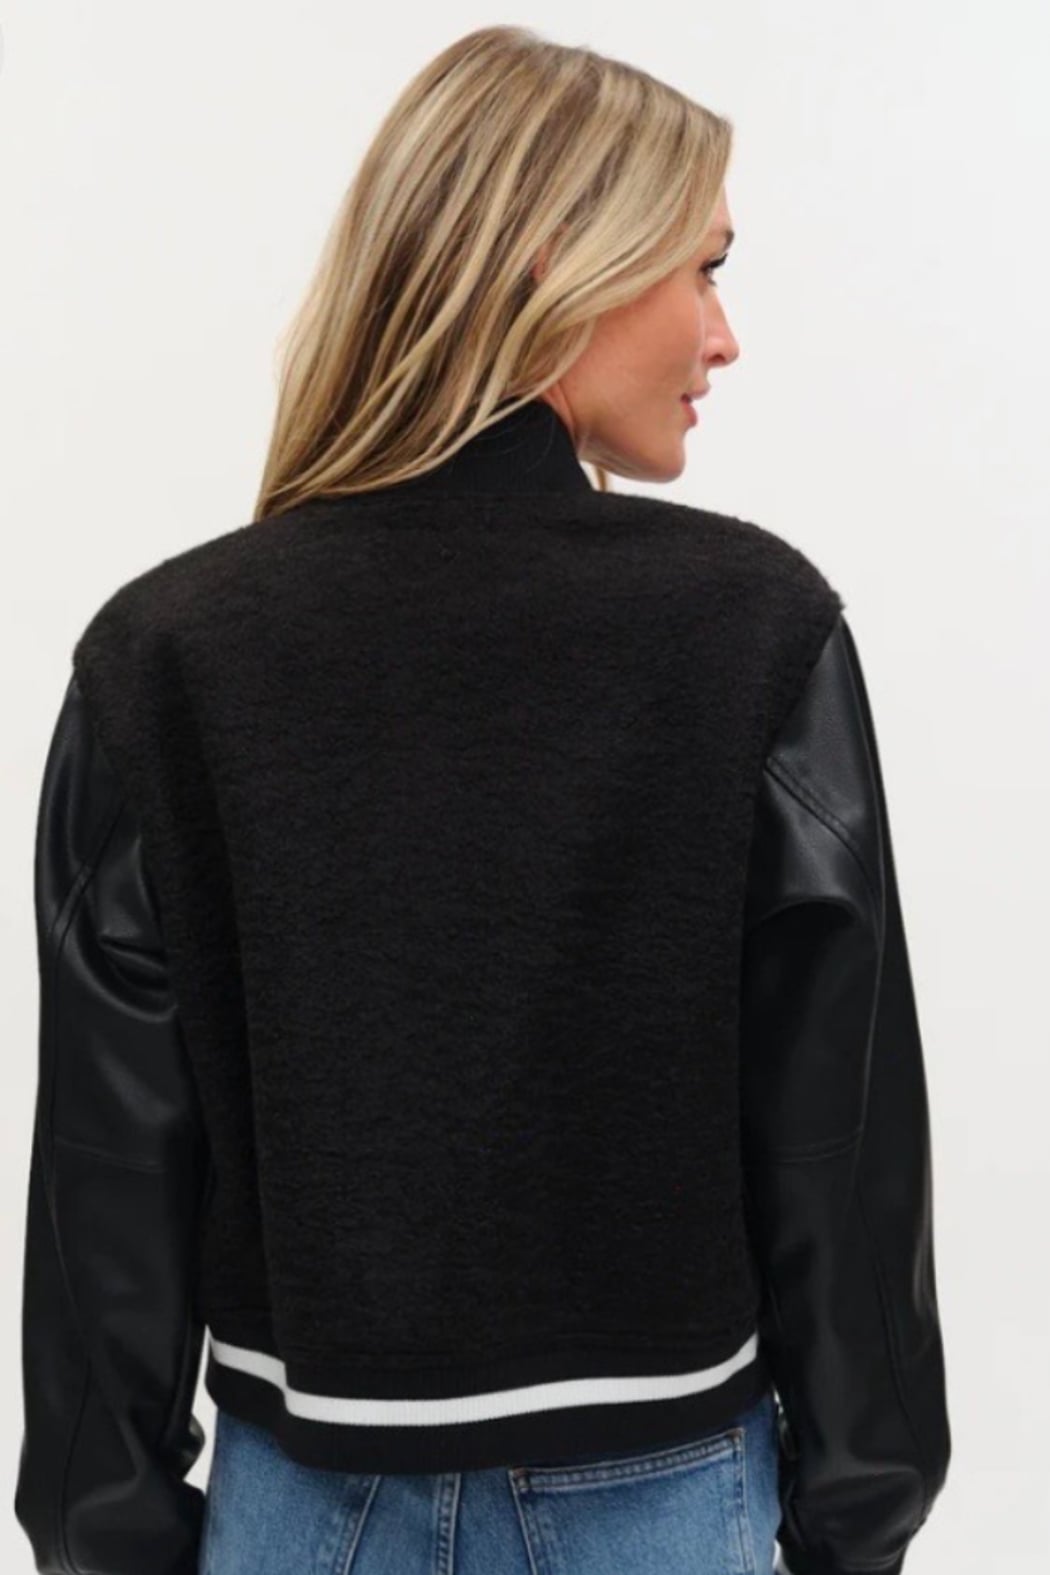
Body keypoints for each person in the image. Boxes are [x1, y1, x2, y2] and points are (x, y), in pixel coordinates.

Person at [13, 23, 950, 1575]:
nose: (724, 338)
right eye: (704, 269)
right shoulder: (750, 626)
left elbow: (110, 1179)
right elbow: (833, 1140)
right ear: (555, 259)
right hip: (664, 1500)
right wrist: (857, 1513)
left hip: (300, 1507)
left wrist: (108, 1534)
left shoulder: (169, 652)